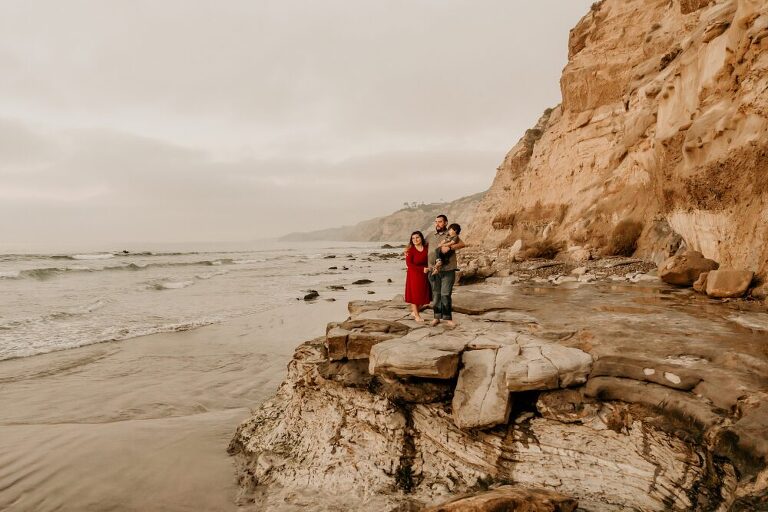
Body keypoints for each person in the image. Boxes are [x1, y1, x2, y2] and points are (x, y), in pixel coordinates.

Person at [424, 215, 465, 327]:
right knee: (436, 295)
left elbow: (462, 244)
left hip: (448, 269)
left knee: (445, 294)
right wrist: (407, 251)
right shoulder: (430, 235)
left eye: (440, 222)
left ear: (446, 223)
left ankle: (448, 319)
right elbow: (419, 246)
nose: (437, 224)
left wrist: (450, 247)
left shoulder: (451, 233)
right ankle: (436, 317)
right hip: (433, 270)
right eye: (436, 222)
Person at [404, 231, 431, 322]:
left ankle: (415, 311)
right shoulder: (410, 250)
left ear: (421, 238)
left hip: (425, 274)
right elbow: (409, 264)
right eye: (413, 238)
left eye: (417, 237)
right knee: (415, 295)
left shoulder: (427, 248)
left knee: (425, 295)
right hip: (414, 275)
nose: (415, 240)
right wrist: (422, 269)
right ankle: (417, 316)